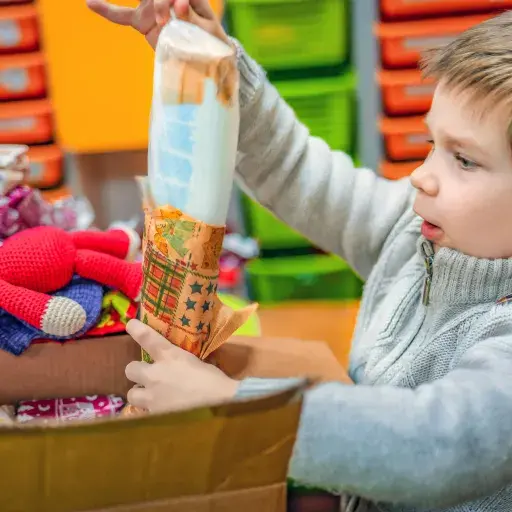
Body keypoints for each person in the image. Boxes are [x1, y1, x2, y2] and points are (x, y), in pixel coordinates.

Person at [87, 2, 512, 510]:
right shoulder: (414, 227)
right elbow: (299, 172)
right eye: (430, 143)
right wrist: (218, 70)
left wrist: (230, 406)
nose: (422, 174)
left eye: (463, 159)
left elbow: (435, 447)